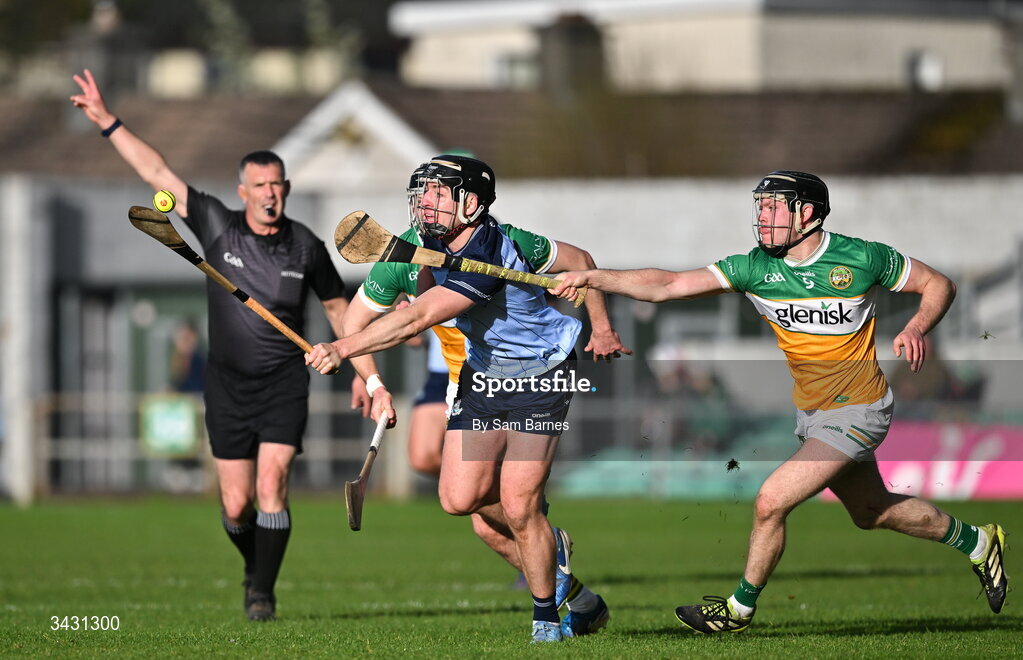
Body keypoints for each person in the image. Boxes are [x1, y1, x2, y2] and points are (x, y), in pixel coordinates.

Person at [551, 170, 1008, 633]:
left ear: (806, 213)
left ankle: (737, 610)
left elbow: (939, 285)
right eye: (761, 207)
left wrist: (915, 327)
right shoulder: (754, 268)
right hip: (813, 413)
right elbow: (667, 285)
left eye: (773, 207)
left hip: (860, 408)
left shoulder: (862, 257)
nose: (762, 217)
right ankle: (978, 541)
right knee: (873, 512)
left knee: (771, 500)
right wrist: (594, 277)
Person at [71, 69, 350, 622]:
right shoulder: (216, 226)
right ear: (242, 190)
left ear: (286, 189)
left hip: (284, 383)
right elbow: (157, 172)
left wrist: (368, 375)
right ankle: (255, 567)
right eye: (260, 186)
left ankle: (262, 594)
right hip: (226, 386)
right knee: (236, 504)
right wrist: (109, 124)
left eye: (278, 185)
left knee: (273, 483)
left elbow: (340, 311)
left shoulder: (307, 247)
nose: (270, 194)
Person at [308, 154, 614, 643]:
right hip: (484, 375)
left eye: (437, 194)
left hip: (543, 373)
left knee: (516, 505)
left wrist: (600, 326)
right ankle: (575, 591)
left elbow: (417, 318)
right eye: (421, 193)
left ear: (471, 203)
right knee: (459, 500)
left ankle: (546, 621)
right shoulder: (408, 250)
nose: (424, 204)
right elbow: (358, 318)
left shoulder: (499, 247)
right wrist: (371, 381)